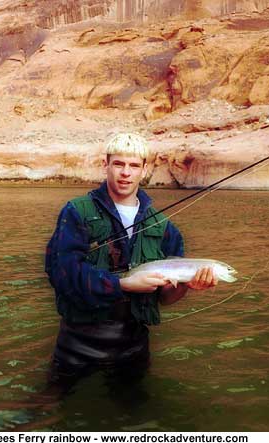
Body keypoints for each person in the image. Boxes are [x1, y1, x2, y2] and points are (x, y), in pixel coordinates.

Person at [45, 132, 217, 389]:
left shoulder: (166, 228)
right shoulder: (76, 211)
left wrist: (185, 286)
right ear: (106, 165)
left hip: (133, 344)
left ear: (144, 170)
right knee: (48, 407)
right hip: (78, 340)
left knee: (135, 415)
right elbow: (62, 275)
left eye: (134, 165)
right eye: (119, 164)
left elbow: (165, 298)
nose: (126, 172)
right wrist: (124, 284)